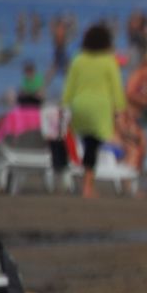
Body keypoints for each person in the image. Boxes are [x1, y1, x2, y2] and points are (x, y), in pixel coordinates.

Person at [61, 24, 128, 199]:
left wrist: (64, 106)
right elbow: (116, 88)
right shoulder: (109, 61)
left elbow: (69, 88)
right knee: (93, 145)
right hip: (100, 107)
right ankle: (88, 186)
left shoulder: (78, 59)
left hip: (80, 105)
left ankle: (85, 182)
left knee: (86, 142)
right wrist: (121, 108)